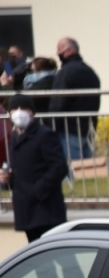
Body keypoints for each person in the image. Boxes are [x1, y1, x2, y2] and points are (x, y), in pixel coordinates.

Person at [0, 94, 68, 242]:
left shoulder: (44, 135)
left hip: (46, 210)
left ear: (32, 112)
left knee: (53, 249)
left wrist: (37, 191)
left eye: (24, 108)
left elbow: (59, 167)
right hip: (26, 211)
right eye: (14, 109)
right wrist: (7, 178)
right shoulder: (14, 138)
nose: (19, 112)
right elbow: (18, 168)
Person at [46, 38, 99, 162]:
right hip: (88, 128)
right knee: (88, 169)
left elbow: (58, 103)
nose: (57, 53)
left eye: (59, 49)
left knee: (72, 168)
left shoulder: (65, 72)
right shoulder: (90, 72)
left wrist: (51, 127)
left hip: (68, 130)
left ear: (69, 50)